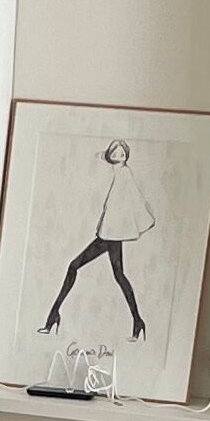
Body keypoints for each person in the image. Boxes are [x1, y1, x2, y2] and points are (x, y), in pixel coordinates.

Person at [41, 140, 158, 347]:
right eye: (116, 151)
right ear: (111, 155)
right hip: (110, 234)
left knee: (74, 266)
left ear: (126, 155)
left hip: (111, 235)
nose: (120, 154)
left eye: (123, 152)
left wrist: (143, 219)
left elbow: (133, 200)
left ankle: (53, 316)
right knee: (118, 275)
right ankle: (138, 322)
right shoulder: (117, 173)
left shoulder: (125, 175)